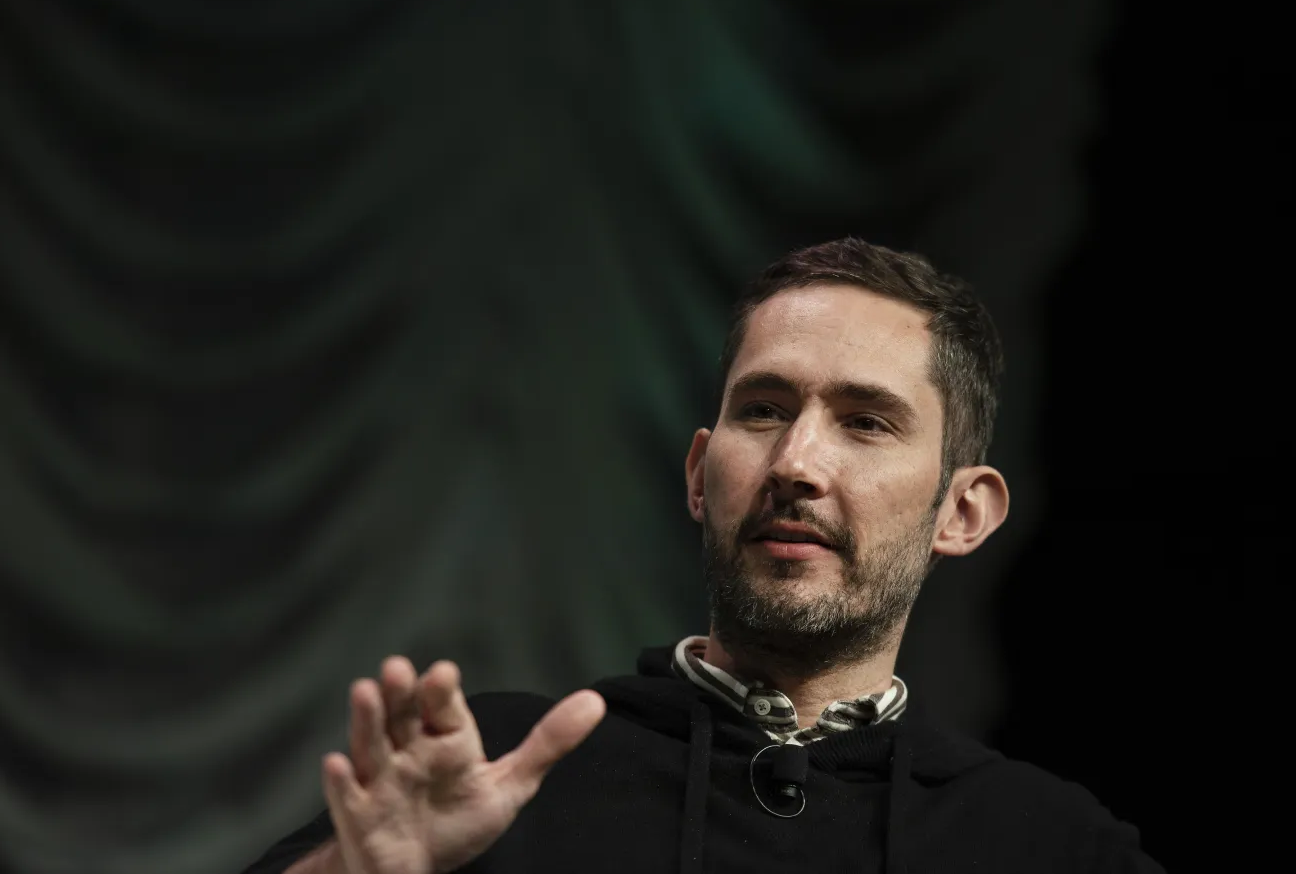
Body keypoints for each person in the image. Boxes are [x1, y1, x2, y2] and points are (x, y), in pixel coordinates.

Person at [243, 239, 1163, 874]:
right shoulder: (495, 768)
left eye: (865, 422)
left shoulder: (1052, 845)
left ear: (963, 509)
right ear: (698, 472)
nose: (795, 463)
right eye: (762, 409)